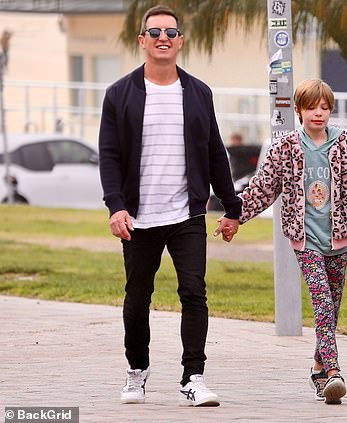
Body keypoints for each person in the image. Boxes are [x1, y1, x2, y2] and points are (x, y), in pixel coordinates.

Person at [98, 5, 241, 407]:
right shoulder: (119, 94)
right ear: (142, 40)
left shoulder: (198, 93)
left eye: (171, 32)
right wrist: (116, 207)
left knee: (194, 292)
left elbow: (215, 153)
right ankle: (136, 372)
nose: (164, 37)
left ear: (180, 41)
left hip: (187, 214)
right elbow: (108, 156)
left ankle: (193, 376)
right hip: (138, 218)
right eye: (155, 32)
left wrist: (232, 208)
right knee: (137, 295)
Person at [228, 79, 347, 404]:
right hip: (306, 241)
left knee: (333, 307)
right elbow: (262, 188)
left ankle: (317, 368)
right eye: (312, 107)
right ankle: (333, 372)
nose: (319, 113)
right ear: (298, 110)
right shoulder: (285, 148)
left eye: (325, 107)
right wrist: (235, 216)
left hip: (340, 239)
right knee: (323, 305)